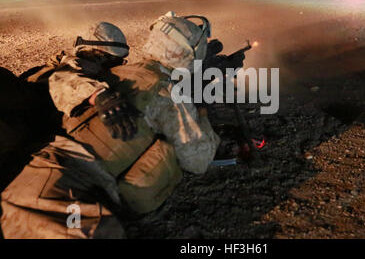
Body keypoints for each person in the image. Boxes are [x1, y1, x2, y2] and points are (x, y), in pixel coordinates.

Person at [0, 12, 221, 239]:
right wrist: (201, 108)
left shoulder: (110, 73)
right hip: (59, 183)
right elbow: (198, 160)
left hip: (36, 169)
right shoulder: (163, 91)